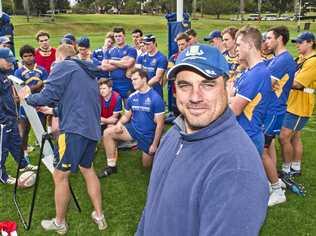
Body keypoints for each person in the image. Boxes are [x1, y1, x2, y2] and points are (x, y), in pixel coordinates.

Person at [136, 44, 269, 236]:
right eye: (185, 85)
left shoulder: (236, 170)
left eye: (207, 84)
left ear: (229, 85)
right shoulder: (174, 133)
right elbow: (152, 206)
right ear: (175, 91)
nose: (195, 97)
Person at [18, 44, 107, 234]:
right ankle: (99, 216)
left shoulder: (64, 65)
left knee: (60, 176)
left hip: (74, 130)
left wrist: (27, 98)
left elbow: (47, 94)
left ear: (60, 57)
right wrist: (53, 111)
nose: (53, 67)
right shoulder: (86, 70)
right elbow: (78, 101)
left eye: (54, 62)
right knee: (87, 169)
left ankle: (60, 223)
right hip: (91, 130)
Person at [101, 68, 165, 177]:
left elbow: (160, 124)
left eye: (135, 79)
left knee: (146, 166)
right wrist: (119, 124)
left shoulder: (156, 98)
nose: (132, 82)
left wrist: (154, 144)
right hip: (133, 129)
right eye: (131, 80)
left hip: (148, 134)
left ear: (144, 79)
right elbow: (126, 116)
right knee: (107, 133)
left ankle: (159, 148)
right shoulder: (132, 97)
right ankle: (111, 166)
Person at [262, 26, 297, 206]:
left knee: (261, 147)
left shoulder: (282, 60)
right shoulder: (279, 59)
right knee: (267, 147)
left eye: (269, 38)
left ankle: (276, 189)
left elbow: (265, 84)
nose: (266, 41)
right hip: (273, 109)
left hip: (273, 110)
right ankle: (273, 180)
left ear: (280, 39)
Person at [229, 26, 273, 156]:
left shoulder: (257, 74)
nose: (235, 49)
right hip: (242, 134)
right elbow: (231, 95)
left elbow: (235, 109)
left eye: (238, 45)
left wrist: (219, 100)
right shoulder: (248, 71)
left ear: (249, 45)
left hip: (248, 137)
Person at [279, 31, 316, 177]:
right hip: (293, 103)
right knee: (295, 137)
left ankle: (286, 169)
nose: (297, 45)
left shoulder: (313, 61)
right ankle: (296, 166)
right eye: (296, 42)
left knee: (284, 137)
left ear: (311, 42)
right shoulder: (302, 58)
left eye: (301, 42)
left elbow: (298, 83)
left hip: (300, 106)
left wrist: (279, 81)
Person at [0, 48, 37, 185]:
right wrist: (3, 119)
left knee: (16, 142)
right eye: (8, 61)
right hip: (3, 120)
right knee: (2, 148)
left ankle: (23, 164)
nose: (11, 64)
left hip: (11, 116)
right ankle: (2, 175)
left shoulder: (6, 72)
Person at [14, 44, 48, 161]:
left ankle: (46, 152)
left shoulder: (42, 70)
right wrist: (36, 86)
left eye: (30, 55)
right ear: (22, 58)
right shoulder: (19, 72)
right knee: (24, 131)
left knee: (42, 130)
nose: (28, 58)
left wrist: (32, 88)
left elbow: (46, 86)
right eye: (25, 56)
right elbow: (21, 92)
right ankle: (24, 154)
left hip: (40, 104)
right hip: (25, 106)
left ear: (34, 56)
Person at [102, 27, 137, 101]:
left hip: (126, 83)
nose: (118, 38)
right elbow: (104, 67)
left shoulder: (131, 50)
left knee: (129, 109)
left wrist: (112, 62)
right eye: (116, 36)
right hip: (113, 83)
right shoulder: (110, 50)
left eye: (120, 36)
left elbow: (128, 64)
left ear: (124, 36)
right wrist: (121, 62)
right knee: (115, 110)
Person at [166, 32, 190, 121]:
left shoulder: (194, 58)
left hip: (189, 93)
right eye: (179, 44)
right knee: (178, 115)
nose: (181, 46)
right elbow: (170, 75)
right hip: (176, 93)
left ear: (188, 43)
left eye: (183, 44)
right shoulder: (173, 58)